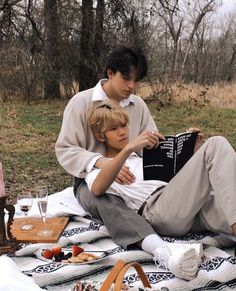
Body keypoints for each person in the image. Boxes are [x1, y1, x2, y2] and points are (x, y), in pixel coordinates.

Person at [55, 46, 203, 280]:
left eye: (137, 81)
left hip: (134, 173)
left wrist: (184, 143)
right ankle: (161, 249)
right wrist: (102, 163)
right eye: (126, 78)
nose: (131, 86)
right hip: (89, 178)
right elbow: (65, 149)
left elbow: (152, 146)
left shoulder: (138, 105)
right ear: (110, 72)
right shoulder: (81, 103)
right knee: (102, 197)